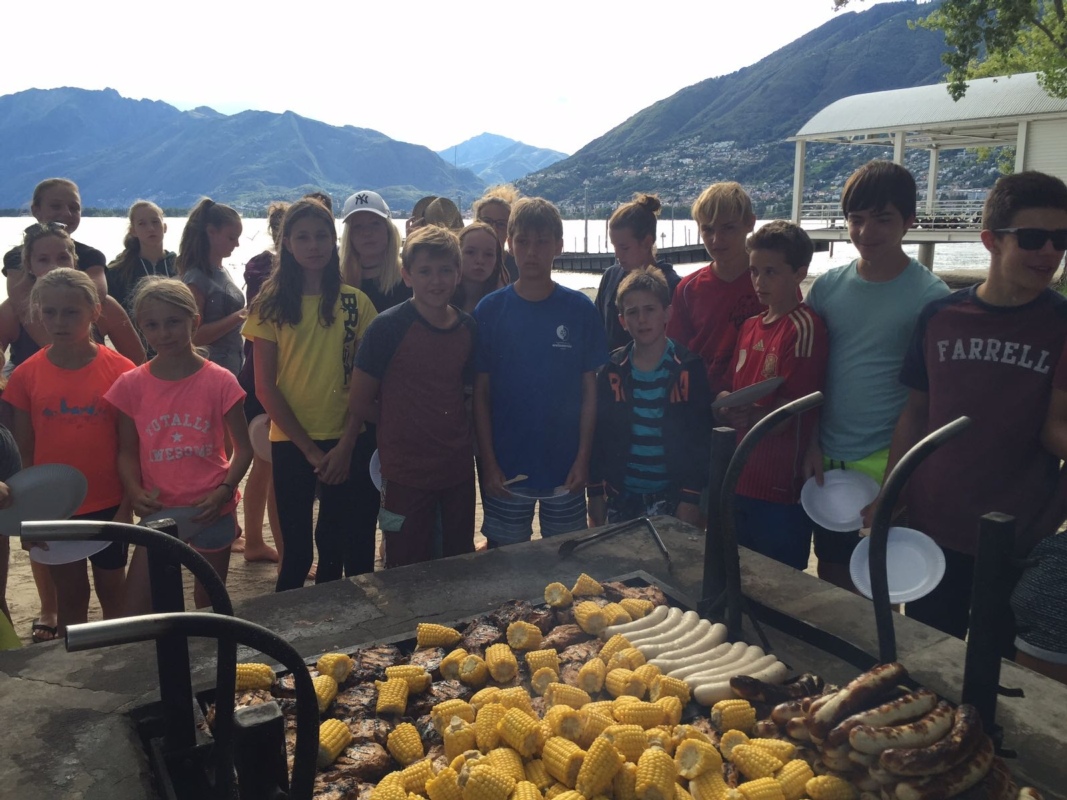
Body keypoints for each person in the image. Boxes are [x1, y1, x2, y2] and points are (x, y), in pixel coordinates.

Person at [886, 171, 1067, 639]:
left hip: (1018, 537)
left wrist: (1045, 528)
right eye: (1032, 238)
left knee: (1002, 671)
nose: (1050, 252)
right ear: (991, 241)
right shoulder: (939, 316)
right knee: (927, 655)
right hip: (932, 527)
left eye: (1061, 239)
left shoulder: (1062, 324)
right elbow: (916, 413)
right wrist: (890, 494)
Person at [804, 160, 949, 589]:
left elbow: (928, 400)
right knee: (831, 571)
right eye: (856, 219)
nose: (866, 231)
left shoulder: (931, 298)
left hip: (890, 459)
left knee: (884, 579)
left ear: (909, 221)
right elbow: (809, 376)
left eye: (883, 219)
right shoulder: (827, 287)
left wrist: (897, 483)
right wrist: (810, 442)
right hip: (828, 459)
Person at [243, 200, 378, 591]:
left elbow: (366, 383)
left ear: (334, 240)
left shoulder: (355, 302)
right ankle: (288, 626)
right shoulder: (269, 306)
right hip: (291, 441)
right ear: (287, 243)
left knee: (336, 545)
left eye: (321, 236)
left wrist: (346, 444)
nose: (314, 245)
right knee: (297, 553)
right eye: (302, 237)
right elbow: (265, 386)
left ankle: (340, 626)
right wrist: (309, 450)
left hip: (347, 438)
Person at [107, 278, 252, 611]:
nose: (164, 333)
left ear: (194, 321)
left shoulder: (221, 381)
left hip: (211, 510)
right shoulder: (131, 385)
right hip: (160, 511)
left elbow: (243, 449)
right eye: (152, 325)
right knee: (137, 606)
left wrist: (224, 491)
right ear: (141, 327)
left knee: (209, 601)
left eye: (173, 322)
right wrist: (134, 491)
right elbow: (126, 451)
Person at [5, 269, 135, 635]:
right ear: (38, 312)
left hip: (108, 502)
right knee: (71, 597)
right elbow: (24, 452)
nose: (59, 321)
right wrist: (27, 519)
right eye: (50, 312)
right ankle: (74, 665)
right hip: (54, 508)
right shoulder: (26, 376)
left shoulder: (121, 371)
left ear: (95, 312)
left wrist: (127, 505)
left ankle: (119, 660)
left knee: (114, 592)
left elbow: (129, 447)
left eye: (71, 312)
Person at [473, 197, 608, 546]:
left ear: (559, 246)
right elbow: (481, 395)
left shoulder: (579, 309)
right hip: (507, 466)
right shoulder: (490, 310)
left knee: (565, 556)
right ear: (509, 244)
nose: (532, 252)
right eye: (523, 241)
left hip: (565, 465)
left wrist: (583, 459)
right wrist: (488, 463)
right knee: (505, 557)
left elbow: (590, 393)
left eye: (542, 242)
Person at [347, 225, 477, 567]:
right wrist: (402, 420)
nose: (436, 280)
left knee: (458, 559)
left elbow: (467, 396)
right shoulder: (386, 328)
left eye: (445, 270)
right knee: (402, 561)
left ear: (458, 274)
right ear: (407, 275)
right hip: (402, 474)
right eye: (425, 271)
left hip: (456, 470)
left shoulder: (467, 329)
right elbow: (359, 401)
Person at [716, 222, 828, 570]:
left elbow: (795, 410)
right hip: (740, 476)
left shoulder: (804, 327)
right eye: (754, 271)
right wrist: (727, 405)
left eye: (771, 272)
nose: (759, 282)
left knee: (778, 583)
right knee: (736, 576)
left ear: (799, 274)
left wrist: (749, 413)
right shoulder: (750, 325)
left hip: (780, 489)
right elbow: (731, 387)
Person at [588, 267, 710, 527]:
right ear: (622, 320)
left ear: (667, 313)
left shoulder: (689, 367)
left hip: (672, 496)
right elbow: (599, 434)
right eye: (632, 312)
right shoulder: (612, 369)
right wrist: (595, 492)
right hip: (621, 496)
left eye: (650, 309)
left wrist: (691, 497)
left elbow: (700, 438)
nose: (641, 319)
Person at [0, 223, 145, 368]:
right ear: (29, 265)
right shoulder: (11, 312)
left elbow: (139, 365)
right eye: (43, 260)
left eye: (63, 258)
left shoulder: (104, 306)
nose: (54, 266)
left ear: (74, 262)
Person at [666, 182, 761, 397]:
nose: (716, 240)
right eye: (708, 229)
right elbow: (674, 355)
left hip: (759, 402)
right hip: (702, 402)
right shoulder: (687, 289)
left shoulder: (770, 281)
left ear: (750, 223)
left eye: (728, 228)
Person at [237, 201, 288, 566]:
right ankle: (276, 549)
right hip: (262, 380)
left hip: (265, 377)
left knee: (265, 465)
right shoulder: (266, 270)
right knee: (270, 465)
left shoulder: (263, 268)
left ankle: (257, 540)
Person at [595, 194, 682, 351]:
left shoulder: (673, 285)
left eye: (624, 248)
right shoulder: (610, 277)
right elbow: (597, 330)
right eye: (615, 247)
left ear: (647, 242)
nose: (617, 255)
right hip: (614, 365)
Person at [2, 178, 109, 300]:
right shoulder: (16, 257)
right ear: (36, 211)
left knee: (108, 302)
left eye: (74, 208)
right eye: (56, 206)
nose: (67, 213)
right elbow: (21, 304)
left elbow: (95, 298)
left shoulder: (91, 257)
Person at [176, 198, 247, 377]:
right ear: (211, 232)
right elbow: (194, 336)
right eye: (231, 237)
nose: (237, 244)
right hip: (209, 373)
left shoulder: (221, 271)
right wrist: (242, 314)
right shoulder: (196, 278)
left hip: (230, 369)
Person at [339, 190, 412, 312]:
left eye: (375, 223)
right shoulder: (337, 282)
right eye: (358, 226)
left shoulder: (408, 278)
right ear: (349, 236)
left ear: (388, 230)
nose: (367, 232)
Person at [105, 200, 177, 318]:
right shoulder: (118, 271)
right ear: (133, 231)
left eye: (155, 222)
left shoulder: (179, 265)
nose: (151, 228)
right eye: (142, 224)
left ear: (164, 227)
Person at [454, 221, 508, 314]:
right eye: (470, 252)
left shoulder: (505, 303)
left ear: (497, 261)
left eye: (488, 254)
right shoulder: (441, 297)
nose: (480, 260)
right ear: (457, 255)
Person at [473, 185, 521, 282]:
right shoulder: (462, 262)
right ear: (476, 223)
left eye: (501, 224)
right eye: (487, 221)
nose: (493, 229)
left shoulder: (519, 267)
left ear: (510, 229)